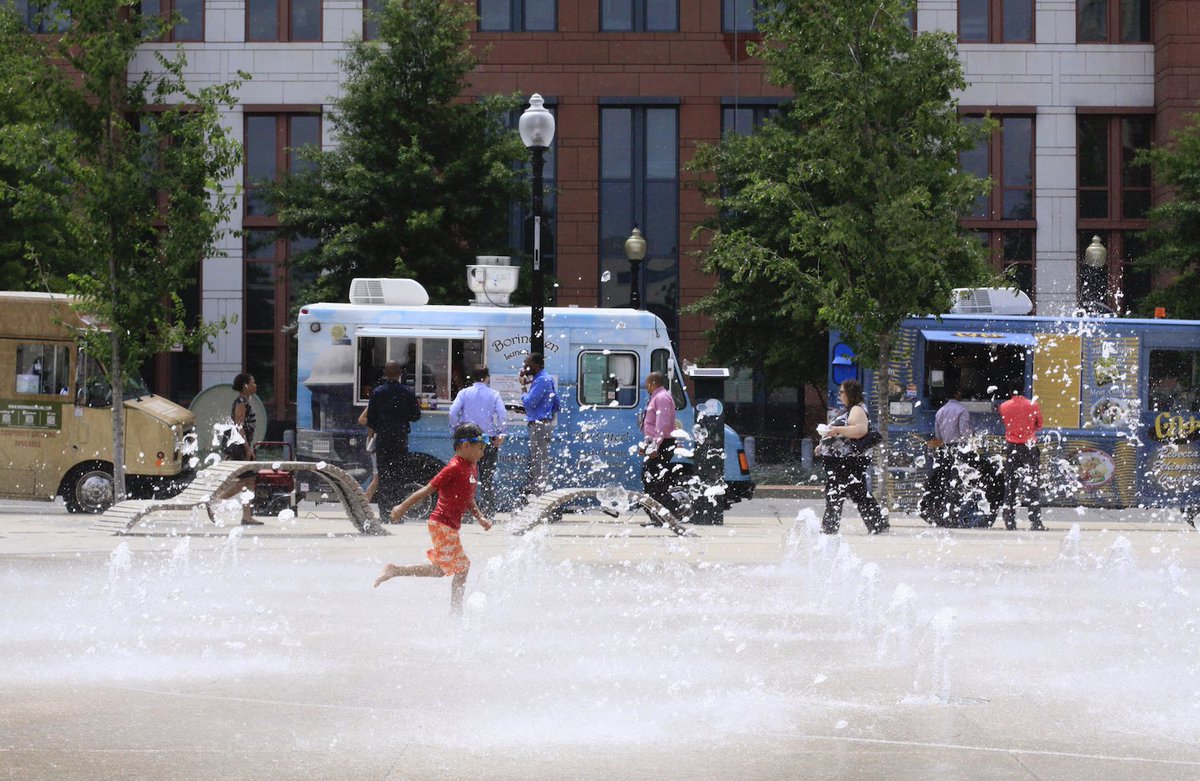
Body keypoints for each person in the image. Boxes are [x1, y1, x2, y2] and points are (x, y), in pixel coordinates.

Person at [373, 423, 494, 613]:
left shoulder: (472, 467)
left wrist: (480, 518)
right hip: (441, 524)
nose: (483, 454)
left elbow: (468, 496)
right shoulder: (453, 468)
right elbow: (427, 489)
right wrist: (402, 507)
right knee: (462, 568)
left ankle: (395, 570)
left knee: (439, 570)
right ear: (465, 446)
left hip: (448, 526)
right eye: (480, 449)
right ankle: (456, 612)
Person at [817, 379, 888, 535]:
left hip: (848, 459)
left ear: (850, 393)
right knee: (856, 492)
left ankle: (830, 527)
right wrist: (823, 444)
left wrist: (836, 430)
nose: (840, 395)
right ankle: (877, 523)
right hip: (842, 459)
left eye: (842, 392)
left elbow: (860, 430)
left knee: (836, 491)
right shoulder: (849, 409)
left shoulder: (857, 409)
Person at [367, 360, 422, 521]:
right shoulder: (408, 392)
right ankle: (397, 513)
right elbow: (416, 416)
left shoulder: (378, 392)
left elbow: (371, 419)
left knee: (384, 476)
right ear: (400, 374)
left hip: (383, 439)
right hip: (400, 438)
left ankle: (384, 514)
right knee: (399, 475)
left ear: (385, 373)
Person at [448, 364, 507, 515]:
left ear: (472, 378)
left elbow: (453, 412)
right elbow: (502, 415)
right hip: (487, 440)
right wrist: (501, 433)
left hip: (467, 441)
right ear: (487, 378)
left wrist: (456, 430)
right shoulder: (494, 394)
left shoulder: (464, 393)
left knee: (466, 477)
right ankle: (488, 512)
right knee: (487, 478)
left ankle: (465, 512)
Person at [922, 385, 974, 526]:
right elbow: (965, 433)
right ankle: (955, 514)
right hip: (959, 449)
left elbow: (938, 435)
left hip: (945, 449)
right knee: (958, 482)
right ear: (957, 394)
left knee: (945, 481)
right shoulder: (962, 410)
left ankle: (944, 514)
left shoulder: (940, 411)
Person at [215, 372, 261, 526]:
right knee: (246, 480)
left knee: (249, 480)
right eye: (253, 382)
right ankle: (217, 500)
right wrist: (248, 449)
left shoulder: (245, 401)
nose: (255, 385)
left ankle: (247, 516)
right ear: (246, 386)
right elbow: (238, 427)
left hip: (243, 446)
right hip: (241, 447)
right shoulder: (241, 401)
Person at [639, 371, 683, 525]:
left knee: (653, 480)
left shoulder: (662, 397)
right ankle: (659, 516)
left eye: (647, 383)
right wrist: (647, 446)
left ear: (652, 383)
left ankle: (674, 509)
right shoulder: (658, 397)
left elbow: (661, 426)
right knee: (652, 479)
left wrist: (654, 448)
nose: (645, 386)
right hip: (658, 443)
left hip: (663, 444)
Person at [999, 390, 1046, 531]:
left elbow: (1005, 422)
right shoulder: (1033, 405)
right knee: (1032, 485)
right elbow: (1039, 425)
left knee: (1010, 486)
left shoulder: (1004, 406)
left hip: (1011, 448)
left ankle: (1009, 521)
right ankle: (1035, 522)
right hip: (1029, 447)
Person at [519, 353, 559, 497]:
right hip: (544, 423)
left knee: (538, 465)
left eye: (527, 363)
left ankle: (539, 498)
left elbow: (529, 403)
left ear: (536, 365)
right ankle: (541, 494)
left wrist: (523, 387)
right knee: (541, 462)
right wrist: (546, 413)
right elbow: (556, 404)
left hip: (539, 426)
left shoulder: (541, 380)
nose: (525, 367)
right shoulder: (546, 378)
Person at [357, 405, 378, 503]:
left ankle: (363, 504)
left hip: (377, 441)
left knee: (377, 478)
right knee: (377, 478)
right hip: (374, 441)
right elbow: (361, 419)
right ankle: (363, 504)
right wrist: (378, 423)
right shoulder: (374, 402)